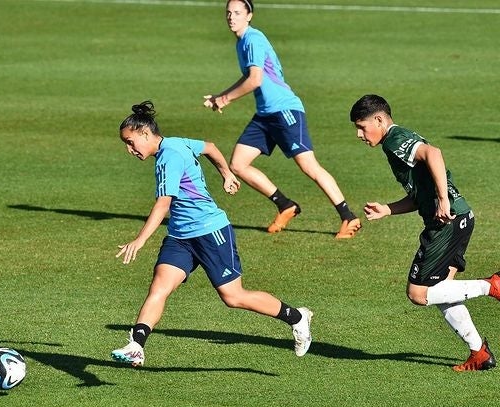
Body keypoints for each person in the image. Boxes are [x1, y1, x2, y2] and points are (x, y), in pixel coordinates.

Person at [111, 101, 313, 367]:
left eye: (130, 142)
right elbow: (210, 147)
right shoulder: (174, 143)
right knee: (159, 287)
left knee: (233, 297)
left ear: (145, 133)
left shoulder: (168, 157)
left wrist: (140, 240)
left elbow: (163, 204)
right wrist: (225, 174)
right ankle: (136, 345)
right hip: (180, 237)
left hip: (210, 232)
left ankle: (296, 317)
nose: (129, 149)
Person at [349, 94, 500, 371]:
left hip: (445, 223)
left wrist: (443, 200)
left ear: (379, 120)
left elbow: (434, 153)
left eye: (361, 126)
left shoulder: (394, 140)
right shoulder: (395, 142)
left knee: (418, 293)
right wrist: (388, 209)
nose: (359, 134)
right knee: (443, 289)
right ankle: (479, 353)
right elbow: (420, 194)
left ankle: (492, 286)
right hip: (460, 217)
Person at [203, 0, 360, 238]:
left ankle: (348, 216)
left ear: (249, 15)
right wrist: (221, 96)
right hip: (266, 114)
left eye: (237, 13)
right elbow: (248, 76)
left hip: (284, 110)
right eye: (228, 13)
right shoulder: (241, 42)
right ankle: (285, 205)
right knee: (238, 164)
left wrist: (226, 100)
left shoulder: (253, 39)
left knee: (309, 166)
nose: (231, 17)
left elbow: (255, 80)